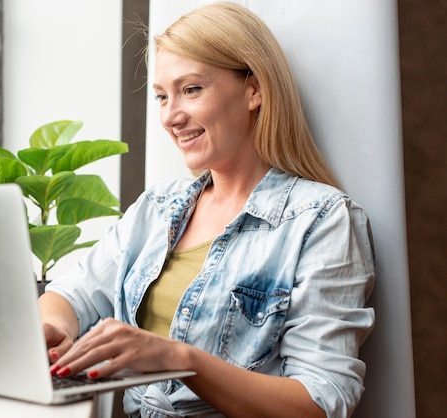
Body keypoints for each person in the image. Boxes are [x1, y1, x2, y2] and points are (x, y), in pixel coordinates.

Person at [39, 2, 375, 417]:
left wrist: (182, 360)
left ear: (255, 89)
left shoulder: (321, 220)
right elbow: (70, 295)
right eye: (162, 96)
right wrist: (54, 327)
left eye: (191, 89)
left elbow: (320, 403)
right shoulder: (158, 208)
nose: (170, 116)